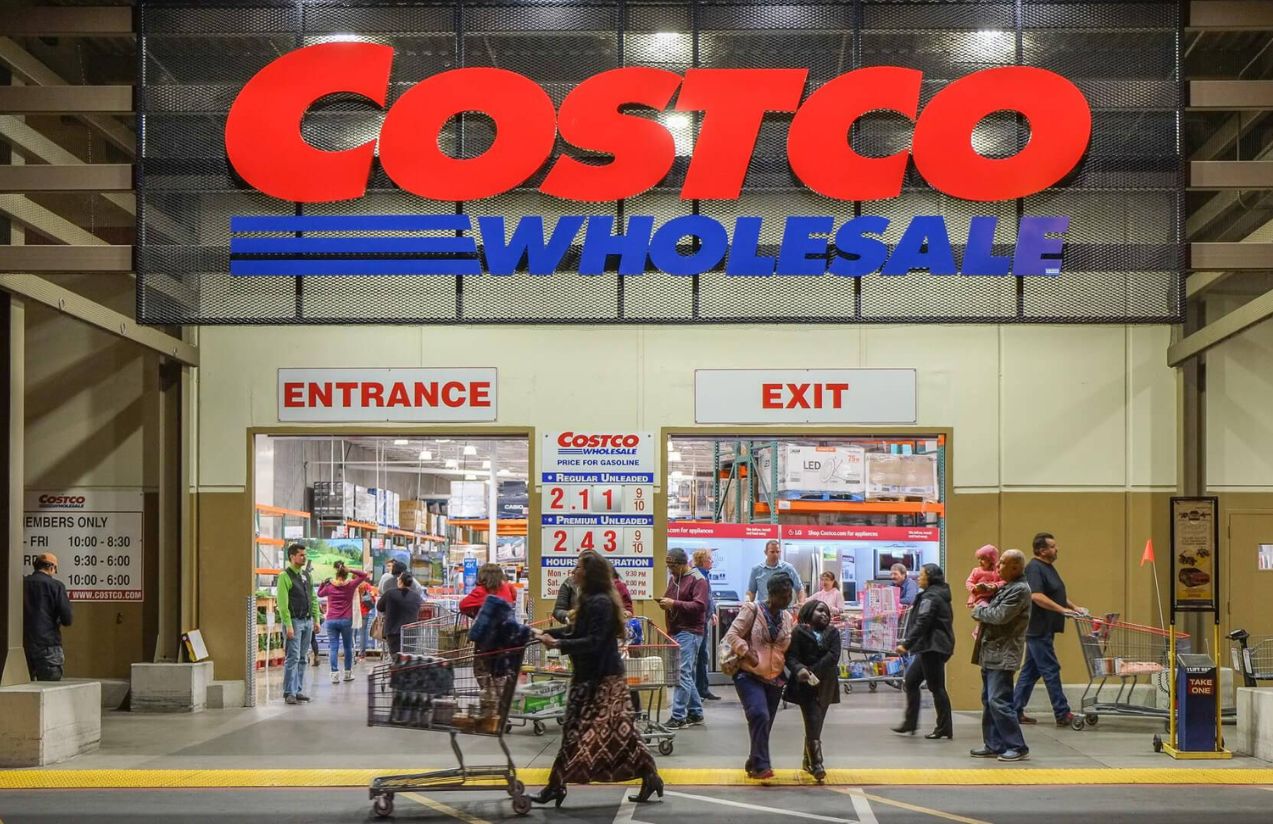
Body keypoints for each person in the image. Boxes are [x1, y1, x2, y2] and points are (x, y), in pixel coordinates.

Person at [529, 552, 664, 807]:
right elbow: (576, 631)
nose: (574, 570)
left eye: (578, 567)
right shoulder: (590, 599)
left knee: (587, 731)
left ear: (589, 574)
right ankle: (649, 776)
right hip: (591, 677)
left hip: (602, 680)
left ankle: (555, 786)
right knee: (607, 731)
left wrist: (557, 642)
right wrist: (544, 632)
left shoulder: (599, 602)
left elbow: (595, 641)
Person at [724, 572, 795, 780]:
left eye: (789, 594)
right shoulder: (752, 609)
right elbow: (731, 635)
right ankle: (762, 766)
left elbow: (786, 646)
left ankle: (754, 759)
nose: (787, 598)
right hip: (748, 673)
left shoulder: (787, 617)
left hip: (775, 677)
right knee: (759, 714)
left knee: (764, 723)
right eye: (783, 594)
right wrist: (746, 651)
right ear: (771, 594)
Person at [1014, 532, 1087, 727]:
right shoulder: (1034, 569)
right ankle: (1062, 712)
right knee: (1050, 669)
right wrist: (1062, 610)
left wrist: (1074, 607)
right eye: (1053, 546)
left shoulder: (1048, 568)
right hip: (1038, 629)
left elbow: (1055, 593)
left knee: (1031, 671)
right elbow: (1036, 596)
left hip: (1045, 629)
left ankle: (1014, 710)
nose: (1057, 549)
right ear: (1041, 550)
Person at [971, 549, 1033, 762]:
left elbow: (999, 616)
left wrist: (978, 610)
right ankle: (994, 744)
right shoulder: (1006, 587)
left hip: (1003, 654)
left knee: (999, 700)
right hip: (991, 654)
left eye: (1003, 563)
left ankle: (1017, 746)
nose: (997, 567)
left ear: (1015, 567)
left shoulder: (1020, 590)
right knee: (988, 701)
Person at [893, 563, 955, 740]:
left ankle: (944, 727)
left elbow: (923, 621)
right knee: (911, 681)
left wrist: (906, 645)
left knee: (937, 688)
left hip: (933, 647)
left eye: (921, 575)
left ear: (931, 578)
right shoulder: (935, 594)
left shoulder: (931, 597)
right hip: (930, 646)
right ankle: (910, 723)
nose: (918, 577)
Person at [784, 599, 841, 781]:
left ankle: (806, 760)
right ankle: (817, 764)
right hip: (804, 685)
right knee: (813, 718)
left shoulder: (833, 633)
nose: (824, 614)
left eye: (826, 612)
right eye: (819, 611)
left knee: (816, 722)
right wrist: (800, 669)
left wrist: (813, 669)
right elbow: (791, 656)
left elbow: (834, 655)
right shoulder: (798, 632)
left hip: (826, 684)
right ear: (809, 612)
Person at [659, 547, 710, 730]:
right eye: (668, 566)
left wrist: (674, 604)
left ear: (683, 564)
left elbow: (700, 605)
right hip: (678, 630)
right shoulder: (675, 579)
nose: (670, 570)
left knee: (683, 673)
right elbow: (672, 598)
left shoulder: (698, 580)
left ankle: (678, 716)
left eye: (672, 566)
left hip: (690, 631)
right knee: (686, 673)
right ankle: (696, 712)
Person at [277, 543, 321, 705]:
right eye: (301, 555)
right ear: (292, 557)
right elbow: (282, 604)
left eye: (305, 555)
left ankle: (298, 690)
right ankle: (289, 691)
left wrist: (316, 619)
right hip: (294, 622)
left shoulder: (306, 576)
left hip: (307, 621)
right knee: (293, 657)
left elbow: (313, 598)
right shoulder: (285, 576)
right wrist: (288, 625)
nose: (304, 557)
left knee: (303, 657)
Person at [317, 560, 371, 683]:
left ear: (336, 574)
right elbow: (364, 575)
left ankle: (334, 675)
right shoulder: (351, 585)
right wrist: (351, 569)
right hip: (346, 620)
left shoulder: (329, 586)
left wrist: (322, 583)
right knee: (347, 647)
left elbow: (320, 594)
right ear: (346, 574)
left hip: (331, 620)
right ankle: (347, 674)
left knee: (333, 648)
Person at [22, 553, 73, 681]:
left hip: (23, 645)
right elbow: (67, 619)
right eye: (56, 568)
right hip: (48, 646)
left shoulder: (21, 584)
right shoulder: (56, 586)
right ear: (51, 567)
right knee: (50, 692)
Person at [552, 550, 631, 625]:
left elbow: (592, 637)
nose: (573, 571)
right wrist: (569, 615)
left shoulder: (602, 597)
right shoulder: (570, 584)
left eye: (578, 567)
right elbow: (558, 611)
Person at [691, 549, 721, 701]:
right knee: (698, 657)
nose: (712, 561)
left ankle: (702, 689)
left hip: (704, 620)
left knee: (703, 656)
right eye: (710, 559)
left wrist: (713, 612)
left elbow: (708, 597)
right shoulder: (698, 576)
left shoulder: (704, 575)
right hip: (698, 623)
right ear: (703, 560)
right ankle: (698, 691)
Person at [377, 571, 425, 658]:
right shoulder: (416, 597)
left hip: (393, 631)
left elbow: (379, 607)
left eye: (399, 578)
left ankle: (397, 671)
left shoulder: (390, 594)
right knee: (409, 658)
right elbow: (422, 608)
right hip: (411, 632)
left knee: (396, 658)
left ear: (400, 581)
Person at [357, 578, 378, 658]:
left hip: (354, 612)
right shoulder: (366, 585)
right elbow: (373, 596)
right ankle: (362, 653)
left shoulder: (352, 585)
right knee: (363, 633)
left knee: (352, 633)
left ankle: (350, 651)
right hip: (364, 612)